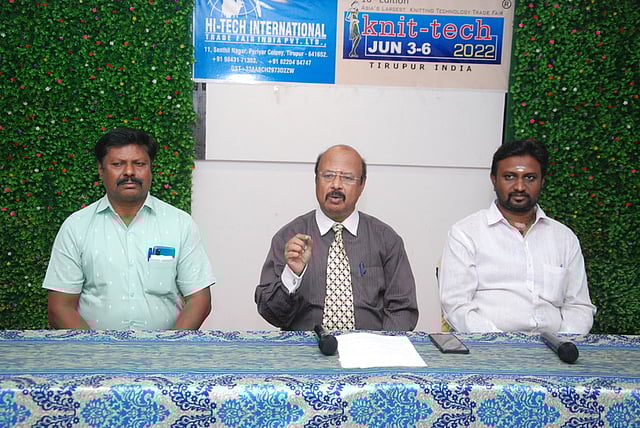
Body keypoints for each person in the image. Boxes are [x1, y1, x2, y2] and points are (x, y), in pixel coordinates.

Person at [43, 127, 215, 330]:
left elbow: (199, 299)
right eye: (117, 164)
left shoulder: (179, 224)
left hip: (165, 349)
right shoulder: (76, 227)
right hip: (95, 349)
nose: (129, 172)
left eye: (139, 164)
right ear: (101, 170)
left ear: (151, 168)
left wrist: (169, 345)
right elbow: (60, 307)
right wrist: (95, 347)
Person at [439, 139, 596, 333]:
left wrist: (562, 343)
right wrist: (499, 343)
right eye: (509, 177)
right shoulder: (466, 234)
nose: (520, 186)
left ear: (542, 181)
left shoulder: (564, 238)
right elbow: (456, 305)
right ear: (494, 180)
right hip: (488, 346)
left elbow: (579, 306)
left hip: (554, 347)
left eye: (530, 178)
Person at [255, 145, 418, 331]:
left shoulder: (386, 239)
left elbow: (403, 309)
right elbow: (271, 313)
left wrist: (383, 345)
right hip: (306, 347)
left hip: (370, 346)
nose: (336, 185)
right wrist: (292, 275)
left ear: (362, 184)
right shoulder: (290, 238)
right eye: (328, 175)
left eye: (347, 178)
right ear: (316, 180)